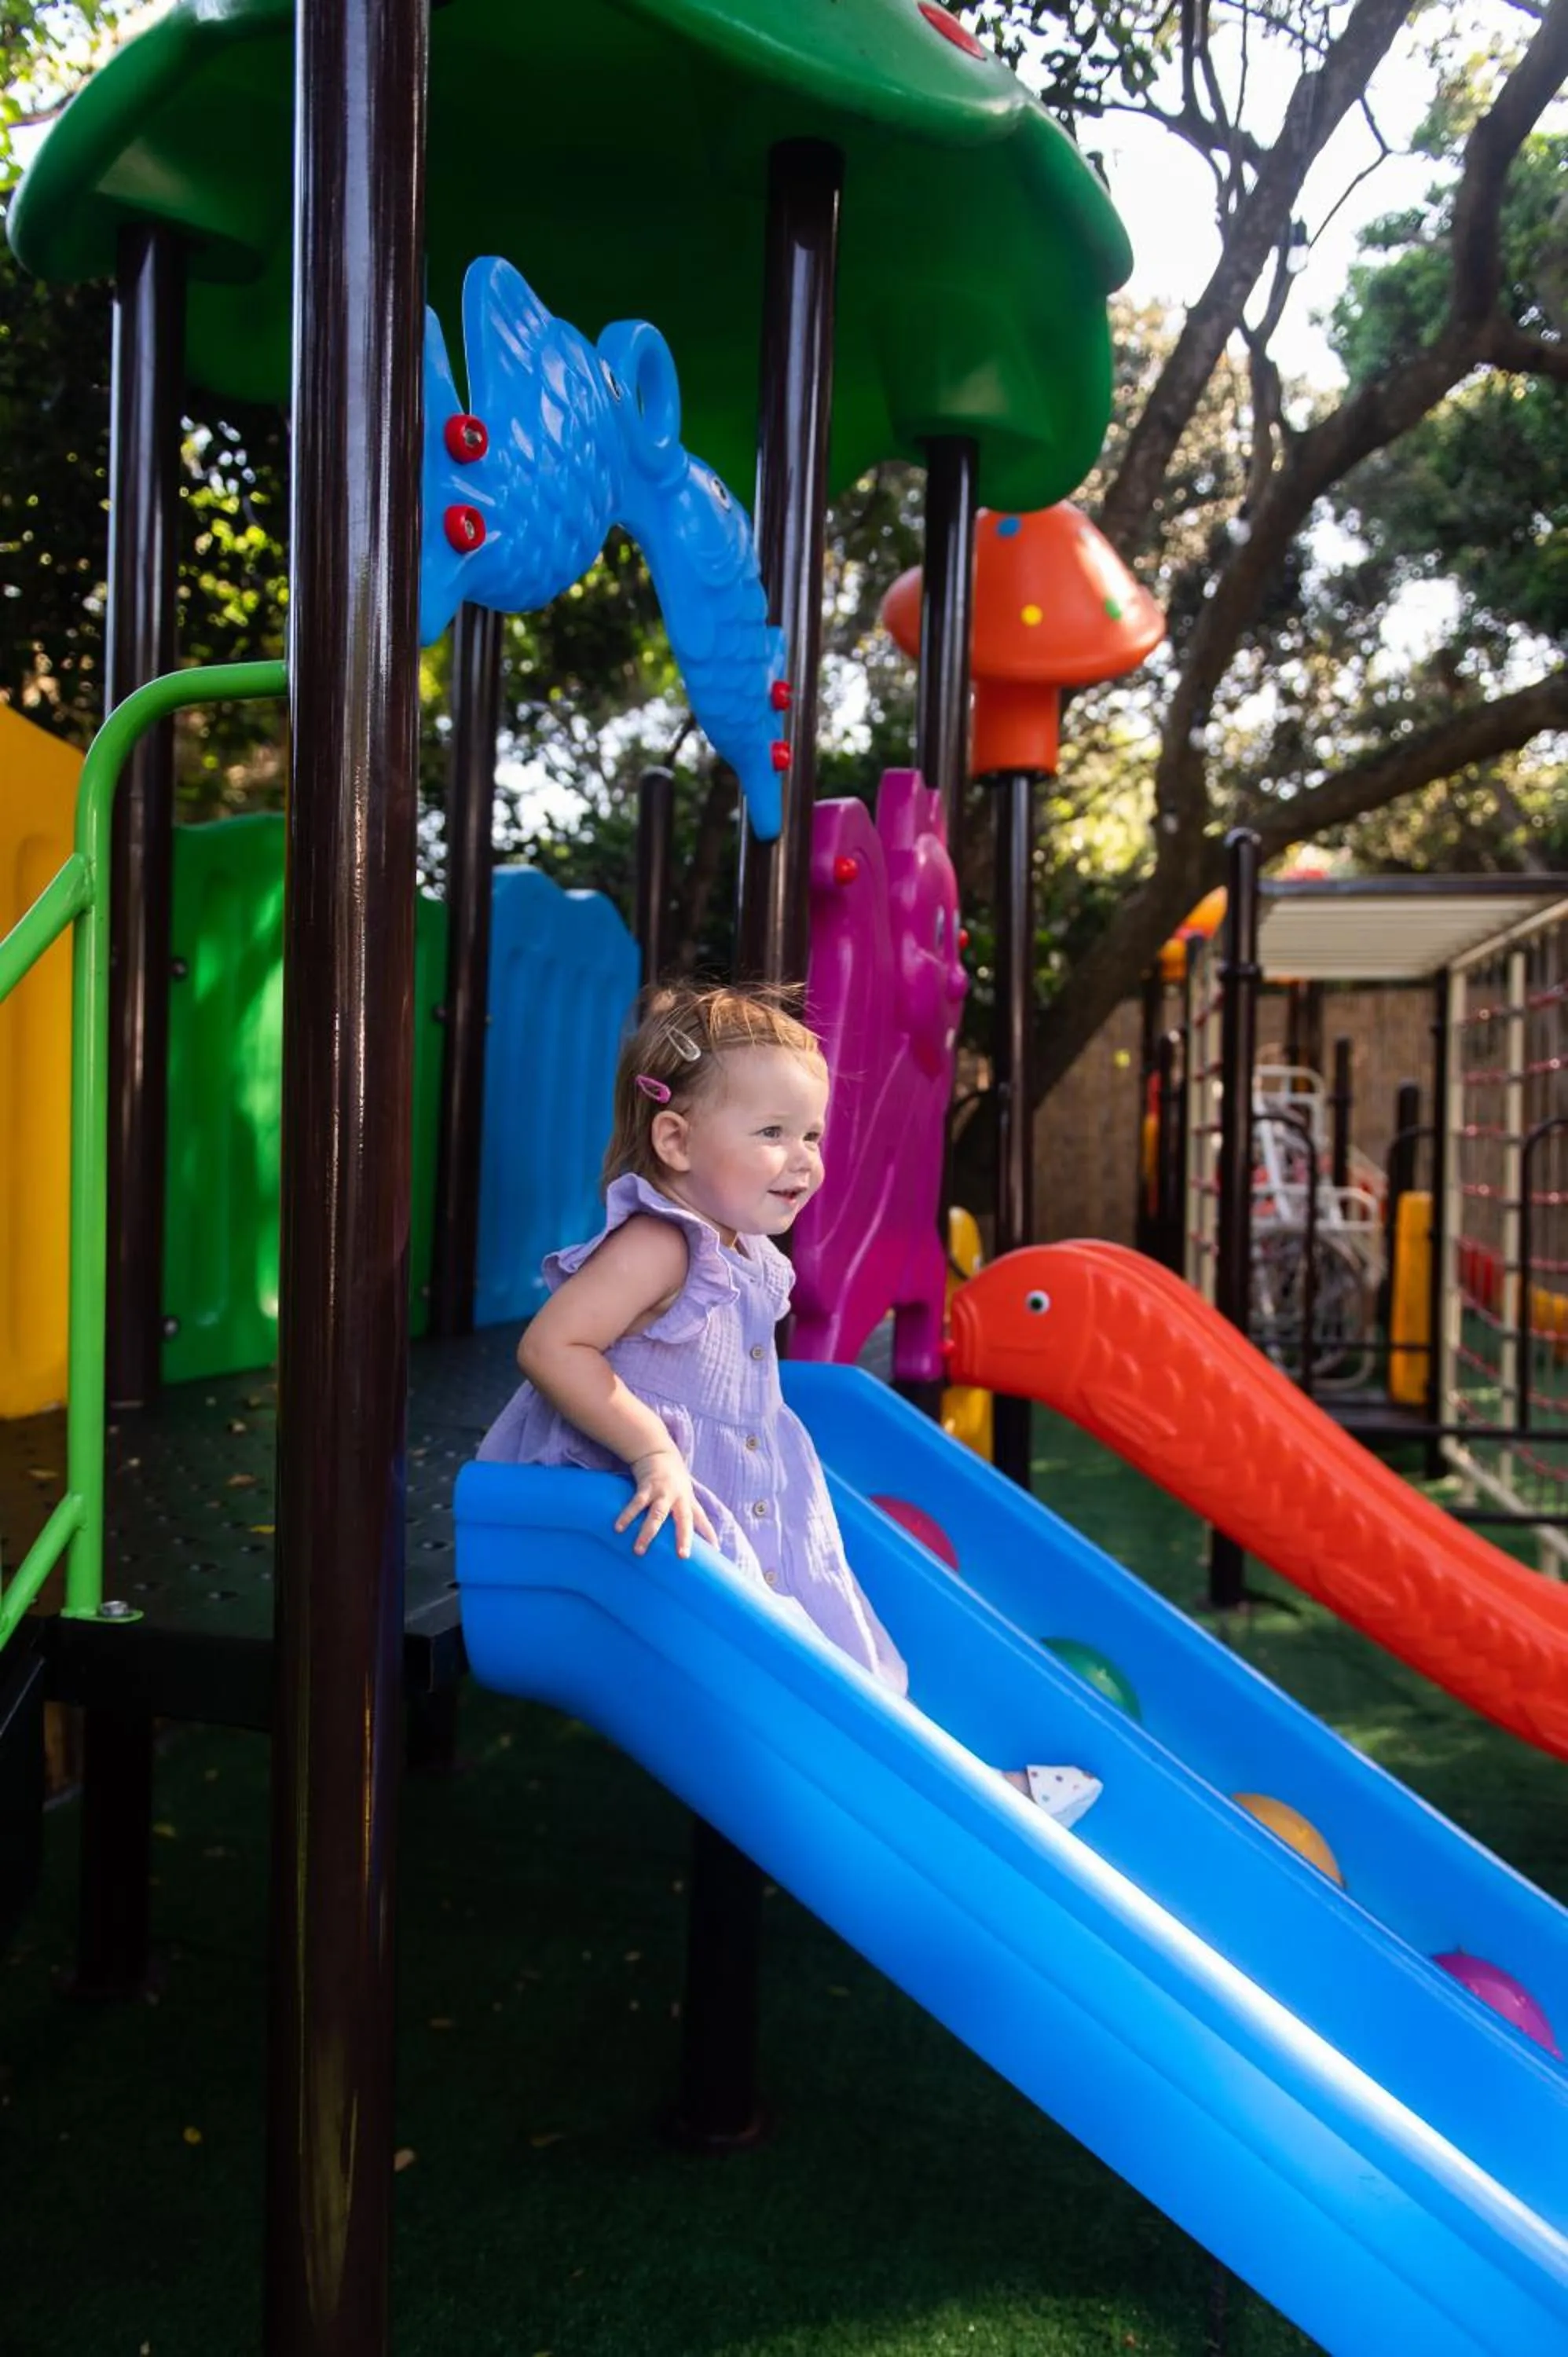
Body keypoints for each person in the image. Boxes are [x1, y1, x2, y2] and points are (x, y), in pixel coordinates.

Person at [478, 982, 1101, 1830]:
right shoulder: (660, 1242)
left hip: (745, 1502)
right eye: (771, 1133)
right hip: (652, 1512)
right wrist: (653, 1451)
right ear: (675, 1140)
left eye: (810, 1134)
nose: (803, 1159)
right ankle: (965, 1802)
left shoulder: (740, 1248)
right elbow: (552, 1346)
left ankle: (958, 1793)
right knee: (798, 1673)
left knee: (837, 1658)